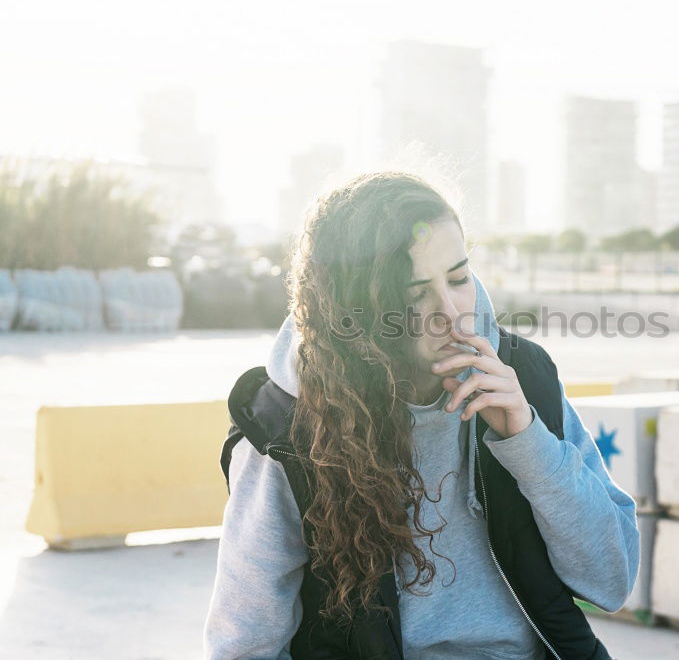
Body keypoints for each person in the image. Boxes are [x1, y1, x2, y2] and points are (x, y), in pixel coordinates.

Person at [203, 171, 640, 659]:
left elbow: (612, 581)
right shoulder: (286, 427)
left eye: (458, 278)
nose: (453, 314)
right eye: (415, 297)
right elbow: (244, 643)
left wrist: (529, 442)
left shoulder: (523, 378)